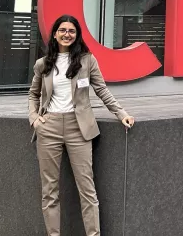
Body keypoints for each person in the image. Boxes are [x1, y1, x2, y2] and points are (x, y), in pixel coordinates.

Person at [28, 15, 134, 236]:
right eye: (63, 30)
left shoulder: (87, 60)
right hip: (50, 127)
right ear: (55, 33)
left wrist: (120, 113)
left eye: (72, 31)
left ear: (76, 35)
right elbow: (33, 94)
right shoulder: (43, 63)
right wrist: (34, 118)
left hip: (80, 129)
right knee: (50, 191)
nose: (67, 34)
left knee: (87, 189)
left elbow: (102, 89)